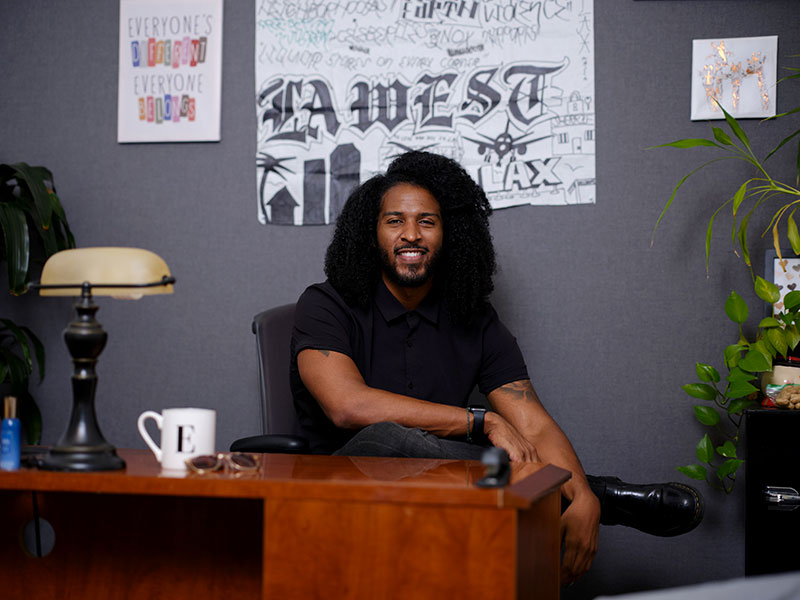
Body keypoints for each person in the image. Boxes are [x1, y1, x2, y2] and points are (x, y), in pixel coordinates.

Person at [290, 150, 703, 584]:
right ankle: (591, 490)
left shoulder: (473, 318)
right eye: (395, 221)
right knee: (386, 438)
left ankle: (580, 491)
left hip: (441, 497)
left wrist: (581, 498)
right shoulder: (325, 305)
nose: (411, 234)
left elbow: (535, 425)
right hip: (338, 488)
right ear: (371, 233)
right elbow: (347, 406)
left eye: (427, 222)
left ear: (451, 234)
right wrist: (481, 422)